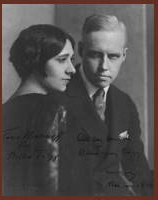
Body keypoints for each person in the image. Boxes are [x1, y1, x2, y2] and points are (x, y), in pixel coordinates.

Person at [61, 14, 154, 196]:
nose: (104, 66)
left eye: (113, 56)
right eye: (96, 54)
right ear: (80, 50)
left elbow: (137, 170)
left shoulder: (124, 104)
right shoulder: (58, 94)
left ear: (124, 55)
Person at [2, 24, 76, 196]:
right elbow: (53, 184)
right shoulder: (53, 108)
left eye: (71, 59)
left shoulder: (4, 111)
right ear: (36, 61)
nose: (71, 69)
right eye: (62, 60)